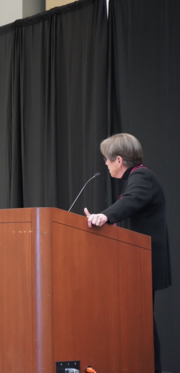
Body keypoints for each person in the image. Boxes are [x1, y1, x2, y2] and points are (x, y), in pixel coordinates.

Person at [84, 133, 171, 373]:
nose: (106, 164)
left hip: (142, 263)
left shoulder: (141, 176)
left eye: (107, 159)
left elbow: (131, 202)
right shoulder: (137, 176)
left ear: (119, 160)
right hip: (136, 263)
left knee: (141, 321)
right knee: (140, 320)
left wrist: (106, 216)